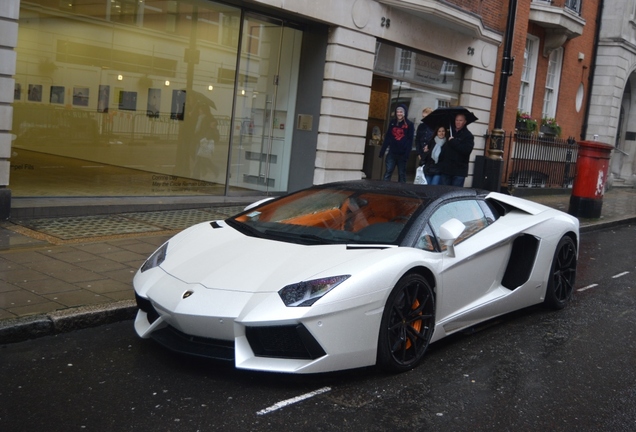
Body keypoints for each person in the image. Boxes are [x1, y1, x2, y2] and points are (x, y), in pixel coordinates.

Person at [379, 104, 414, 183]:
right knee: (388, 171)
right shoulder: (392, 123)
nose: (399, 113)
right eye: (397, 112)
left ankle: (401, 191)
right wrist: (382, 151)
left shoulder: (409, 125)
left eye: (401, 112)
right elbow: (388, 137)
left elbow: (410, 140)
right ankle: (384, 188)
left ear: (404, 113)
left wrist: (407, 154)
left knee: (402, 174)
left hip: (402, 154)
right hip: (392, 152)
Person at [437, 113, 474, 187]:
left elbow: (466, 150)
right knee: (443, 192)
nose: (458, 122)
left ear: (465, 122)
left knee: (455, 194)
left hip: (459, 171)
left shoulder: (468, 135)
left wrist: (454, 142)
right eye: (456, 120)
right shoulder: (449, 133)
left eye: (460, 120)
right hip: (446, 169)